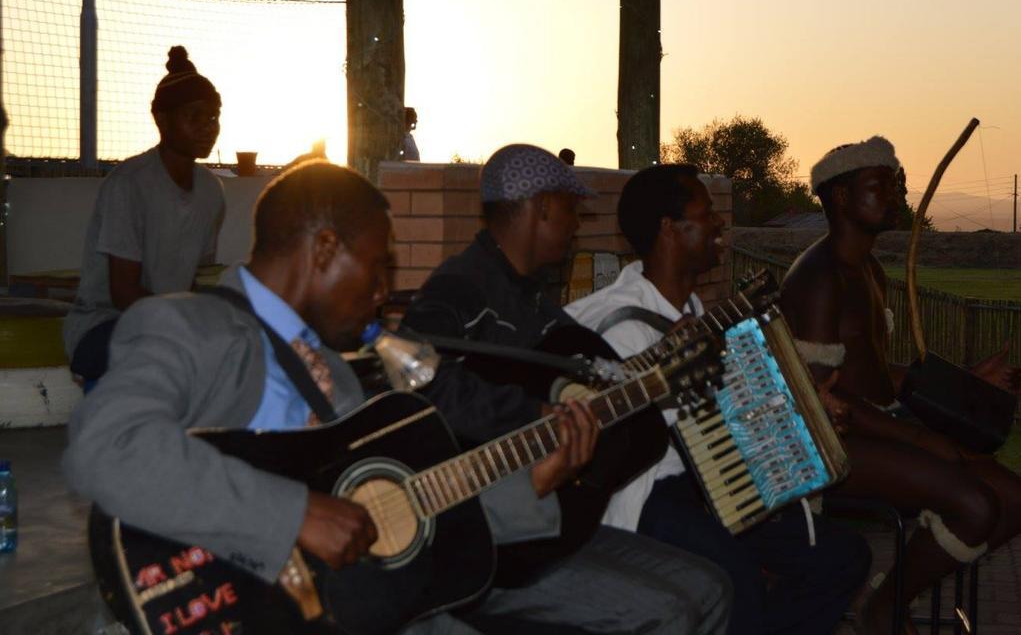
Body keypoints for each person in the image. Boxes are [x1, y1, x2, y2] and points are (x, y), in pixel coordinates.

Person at [63, 161, 719, 634]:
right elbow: (106, 448)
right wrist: (291, 514)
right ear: (323, 248)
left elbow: (404, 515)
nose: (385, 290)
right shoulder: (190, 325)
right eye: (377, 267)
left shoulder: (342, 379)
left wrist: (531, 482)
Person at [402, 144, 732, 634]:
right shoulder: (460, 288)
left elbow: (585, 369)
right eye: (572, 210)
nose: (577, 224)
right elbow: (419, 388)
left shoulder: (530, 294)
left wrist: (661, 359)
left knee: (713, 588)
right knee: (670, 613)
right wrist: (535, 414)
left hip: (551, 524)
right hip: (490, 538)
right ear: (544, 208)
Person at [565, 164, 871, 635]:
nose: (719, 224)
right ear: (671, 229)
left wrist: (801, 407)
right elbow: (595, 419)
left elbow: (727, 407)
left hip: (716, 482)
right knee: (733, 575)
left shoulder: (694, 311)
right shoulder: (613, 322)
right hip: (646, 495)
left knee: (843, 556)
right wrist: (652, 372)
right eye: (706, 213)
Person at [780, 137, 1021, 634]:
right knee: (974, 504)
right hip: (828, 442)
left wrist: (966, 381)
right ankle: (884, 608)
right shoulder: (819, 276)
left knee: (1011, 497)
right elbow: (820, 395)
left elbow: (873, 370)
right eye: (880, 187)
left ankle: (887, 599)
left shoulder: (866, 269)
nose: (894, 197)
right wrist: (920, 439)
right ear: (841, 197)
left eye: (896, 186)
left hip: (876, 425)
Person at [62, 46, 225, 392]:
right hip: (107, 326)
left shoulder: (212, 192)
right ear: (161, 120)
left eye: (213, 118)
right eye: (194, 116)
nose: (207, 128)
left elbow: (188, 281)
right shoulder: (129, 184)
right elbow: (123, 294)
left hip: (169, 325)